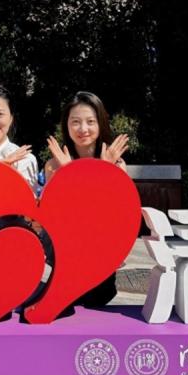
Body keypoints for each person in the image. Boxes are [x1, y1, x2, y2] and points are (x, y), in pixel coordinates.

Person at [44, 91, 129, 307]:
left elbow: (115, 214)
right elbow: (54, 215)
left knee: (97, 304)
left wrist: (105, 171)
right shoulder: (54, 165)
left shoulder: (116, 164)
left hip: (101, 257)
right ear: (66, 126)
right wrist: (66, 173)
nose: (83, 129)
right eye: (75, 122)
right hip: (66, 258)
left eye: (90, 121)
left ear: (100, 123)